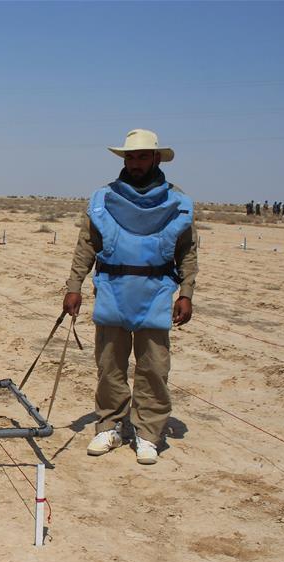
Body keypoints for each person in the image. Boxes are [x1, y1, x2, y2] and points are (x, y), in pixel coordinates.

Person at [62, 129, 198, 465]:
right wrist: (74, 286)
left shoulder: (177, 202)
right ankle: (110, 425)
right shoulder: (102, 199)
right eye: (130, 157)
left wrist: (187, 293)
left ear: (155, 158)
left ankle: (148, 433)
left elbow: (187, 251)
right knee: (109, 367)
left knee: (153, 368)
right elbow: (86, 246)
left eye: (141, 156)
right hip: (113, 291)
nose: (135, 163)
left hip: (155, 294)